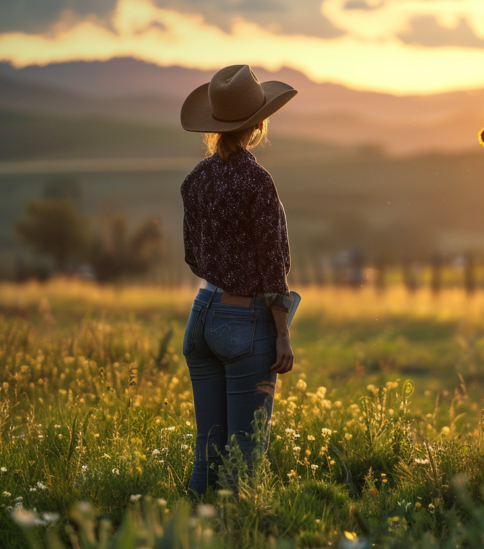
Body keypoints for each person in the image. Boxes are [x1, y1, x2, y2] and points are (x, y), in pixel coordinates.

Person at [178, 65, 298, 497]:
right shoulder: (257, 181)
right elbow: (273, 265)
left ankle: (194, 529)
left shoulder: (195, 180)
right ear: (259, 124)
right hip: (244, 319)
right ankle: (237, 533)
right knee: (246, 449)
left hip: (201, 314)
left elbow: (193, 256)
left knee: (207, 445)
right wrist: (282, 333)